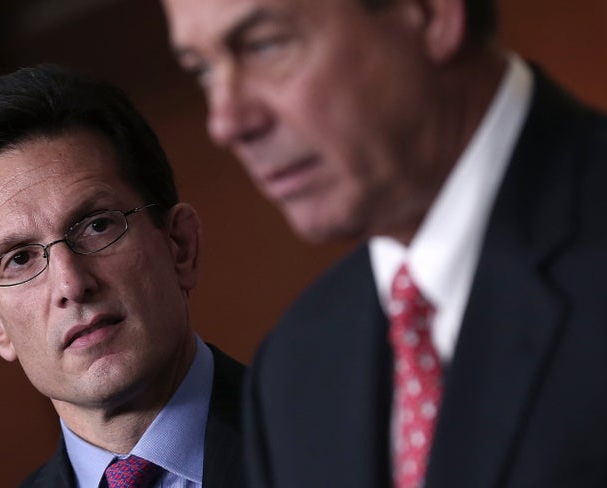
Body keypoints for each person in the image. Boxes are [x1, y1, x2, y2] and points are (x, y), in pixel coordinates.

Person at [160, 0, 607, 486]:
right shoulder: (292, 371)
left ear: (434, 15)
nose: (225, 123)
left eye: (265, 45)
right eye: (203, 69)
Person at [0, 64, 245, 488]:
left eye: (97, 226)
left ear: (180, 246)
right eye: (19, 258)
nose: (71, 285)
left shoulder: (334, 425)